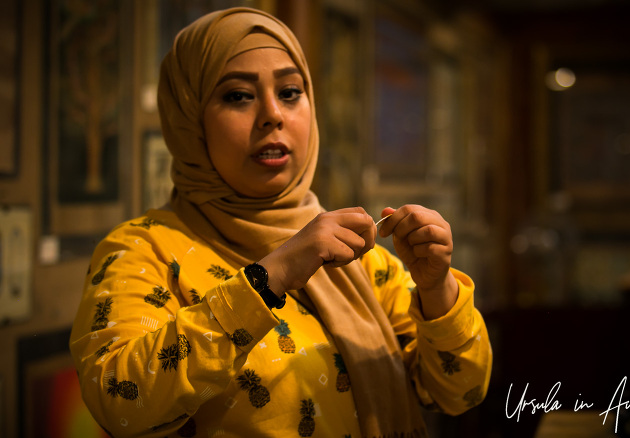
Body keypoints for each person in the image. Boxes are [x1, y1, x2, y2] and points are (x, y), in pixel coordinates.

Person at [69, 7, 492, 438]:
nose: (273, 114)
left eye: (290, 92)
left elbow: (460, 394)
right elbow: (118, 402)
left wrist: (437, 288)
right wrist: (271, 276)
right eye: (238, 96)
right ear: (190, 120)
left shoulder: (357, 258)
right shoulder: (144, 250)